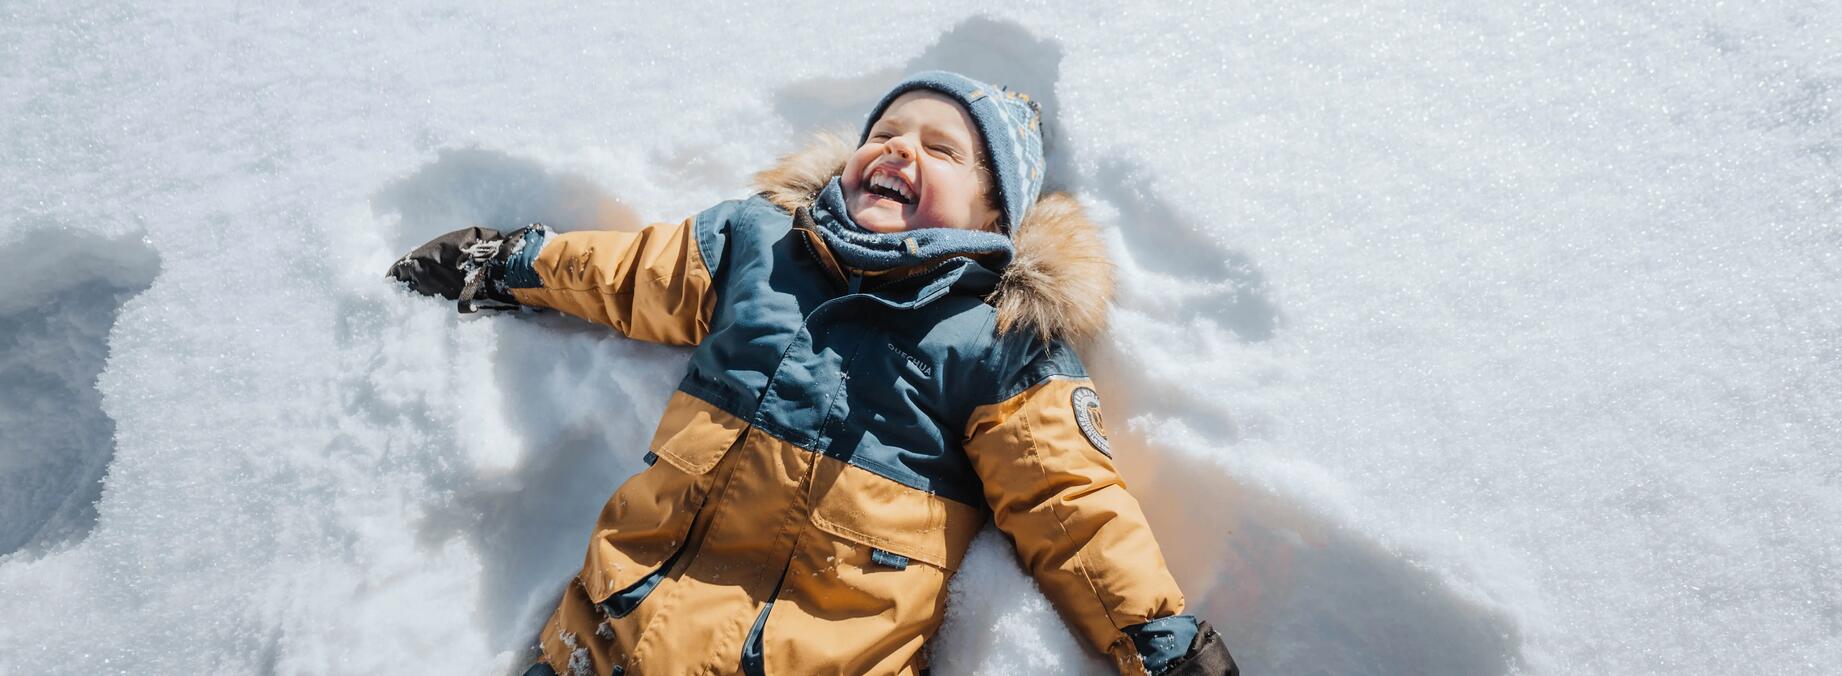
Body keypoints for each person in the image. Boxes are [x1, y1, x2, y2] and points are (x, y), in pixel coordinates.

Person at [389, 71, 1238, 676]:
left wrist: (1159, 641)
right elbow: (632, 273)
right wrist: (511, 265)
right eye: (884, 134)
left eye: (941, 149)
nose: (899, 150)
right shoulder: (762, 246)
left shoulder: (1001, 339)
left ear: (994, 214)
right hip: (613, 638)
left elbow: (1070, 507)